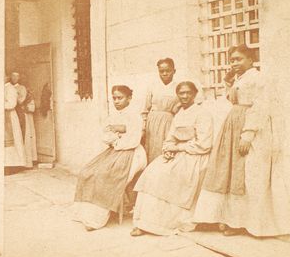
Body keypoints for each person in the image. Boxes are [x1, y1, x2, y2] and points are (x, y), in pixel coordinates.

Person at [192, 44, 290, 237]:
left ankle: (252, 223)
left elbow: (261, 107)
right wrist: (229, 84)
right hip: (233, 126)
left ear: (251, 60)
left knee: (251, 175)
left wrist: (248, 134)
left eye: (239, 59)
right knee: (232, 173)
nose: (234, 63)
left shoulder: (259, 78)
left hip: (253, 130)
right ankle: (233, 220)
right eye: (232, 60)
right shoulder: (239, 79)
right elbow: (233, 101)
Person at [131, 81, 213, 236]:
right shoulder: (179, 114)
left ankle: (162, 224)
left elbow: (205, 144)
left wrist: (178, 148)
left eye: (188, 92)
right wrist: (167, 149)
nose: (185, 96)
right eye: (181, 93)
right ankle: (143, 221)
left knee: (168, 177)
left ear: (195, 94)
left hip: (196, 156)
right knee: (152, 173)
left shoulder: (203, 113)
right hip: (177, 154)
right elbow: (170, 137)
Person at [71, 85, 147, 231]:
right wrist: (116, 135)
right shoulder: (113, 116)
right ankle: (85, 213)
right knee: (87, 172)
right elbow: (104, 135)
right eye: (114, 98)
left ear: (129, 99)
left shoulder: (134, 116)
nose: (117, 101)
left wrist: (117, 138)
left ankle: (96, 218)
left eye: (120, 98)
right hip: (114, 150)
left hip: (132, 153)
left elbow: (133, 139)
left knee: (105, 175)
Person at [142, 58, 181, 163]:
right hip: (153, 123)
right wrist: (144, 127)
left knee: (166, 149)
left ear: (174, 71)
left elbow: (181, 106)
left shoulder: (178, 87)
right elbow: (145, 109)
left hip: (169, 122)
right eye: (161, 71)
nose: (164, 73)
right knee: (153, 150)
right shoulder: (152, 86)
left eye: (168, 70)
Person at [11, 72, 38, 167]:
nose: (14, 78)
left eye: (17, 76)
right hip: (14, 113)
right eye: (13, 76)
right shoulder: (8, 87)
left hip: (21, 112)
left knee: (24, 135)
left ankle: (27, 162)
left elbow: (20, 100)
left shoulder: (22, 88)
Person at [4, 75, 26, 169]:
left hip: (9, 116)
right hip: (3, 116)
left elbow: (12, 104)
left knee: (12, 140)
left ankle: (13, 164)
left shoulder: (10, 89)